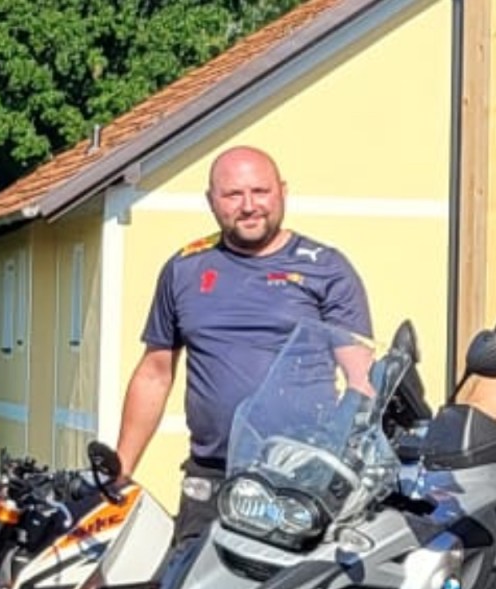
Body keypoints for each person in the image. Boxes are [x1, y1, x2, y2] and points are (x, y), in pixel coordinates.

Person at [115, 144, 373, 543]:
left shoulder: (325, 268)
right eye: (233, 195)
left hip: (299, 480)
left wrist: (348, 465)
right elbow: (154, 374)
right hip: (212, 478)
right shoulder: (184, 268)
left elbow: (361, 379)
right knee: (186, 578)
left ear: (282, 192)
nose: (249, 206)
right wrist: (121, 469)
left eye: (260, 192)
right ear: (211, 201)